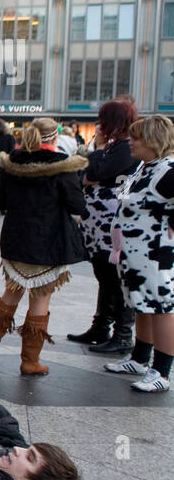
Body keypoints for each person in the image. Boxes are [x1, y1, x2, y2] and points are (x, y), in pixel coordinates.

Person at [0, 117, 87, 376]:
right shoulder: (62, 166)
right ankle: (29, 360)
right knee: (40, 299)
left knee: (10, 293)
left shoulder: (10, 163)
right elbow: (77, 206)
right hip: (49, 241)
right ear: (55, 136)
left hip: (15, 239)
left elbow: (1, 201)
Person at [106, 115, 174, 392]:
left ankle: (162, 370)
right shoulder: (146, 167)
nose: (130, 142)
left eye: (136, 138)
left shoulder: (169, 168)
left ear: (154, 140)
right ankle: (140, 357)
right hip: (134, 253)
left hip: (155, 253)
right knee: (141, 304)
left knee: (160, 307)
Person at [67, 99, 139, 355]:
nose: (99, 125)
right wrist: (90, 169)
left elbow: (96, 171)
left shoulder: (125, 147)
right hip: (98, 223)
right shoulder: (114, 146)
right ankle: (101, 326)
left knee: (114, 277)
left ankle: (123, 333)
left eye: (103, 119)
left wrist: (94, 153)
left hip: (111, 222)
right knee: (104, 275)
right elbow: (82, 173)